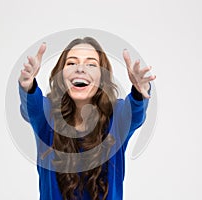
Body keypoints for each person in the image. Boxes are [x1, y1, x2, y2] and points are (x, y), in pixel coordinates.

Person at [18, 37, 156, 200]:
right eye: (71, 63)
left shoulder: (117, 116)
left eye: (91, 64)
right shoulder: (47, 114)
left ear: (102, 77)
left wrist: (140, 91)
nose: (80, 69)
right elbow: (32, 107)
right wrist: (28, 84)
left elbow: (135, 112)